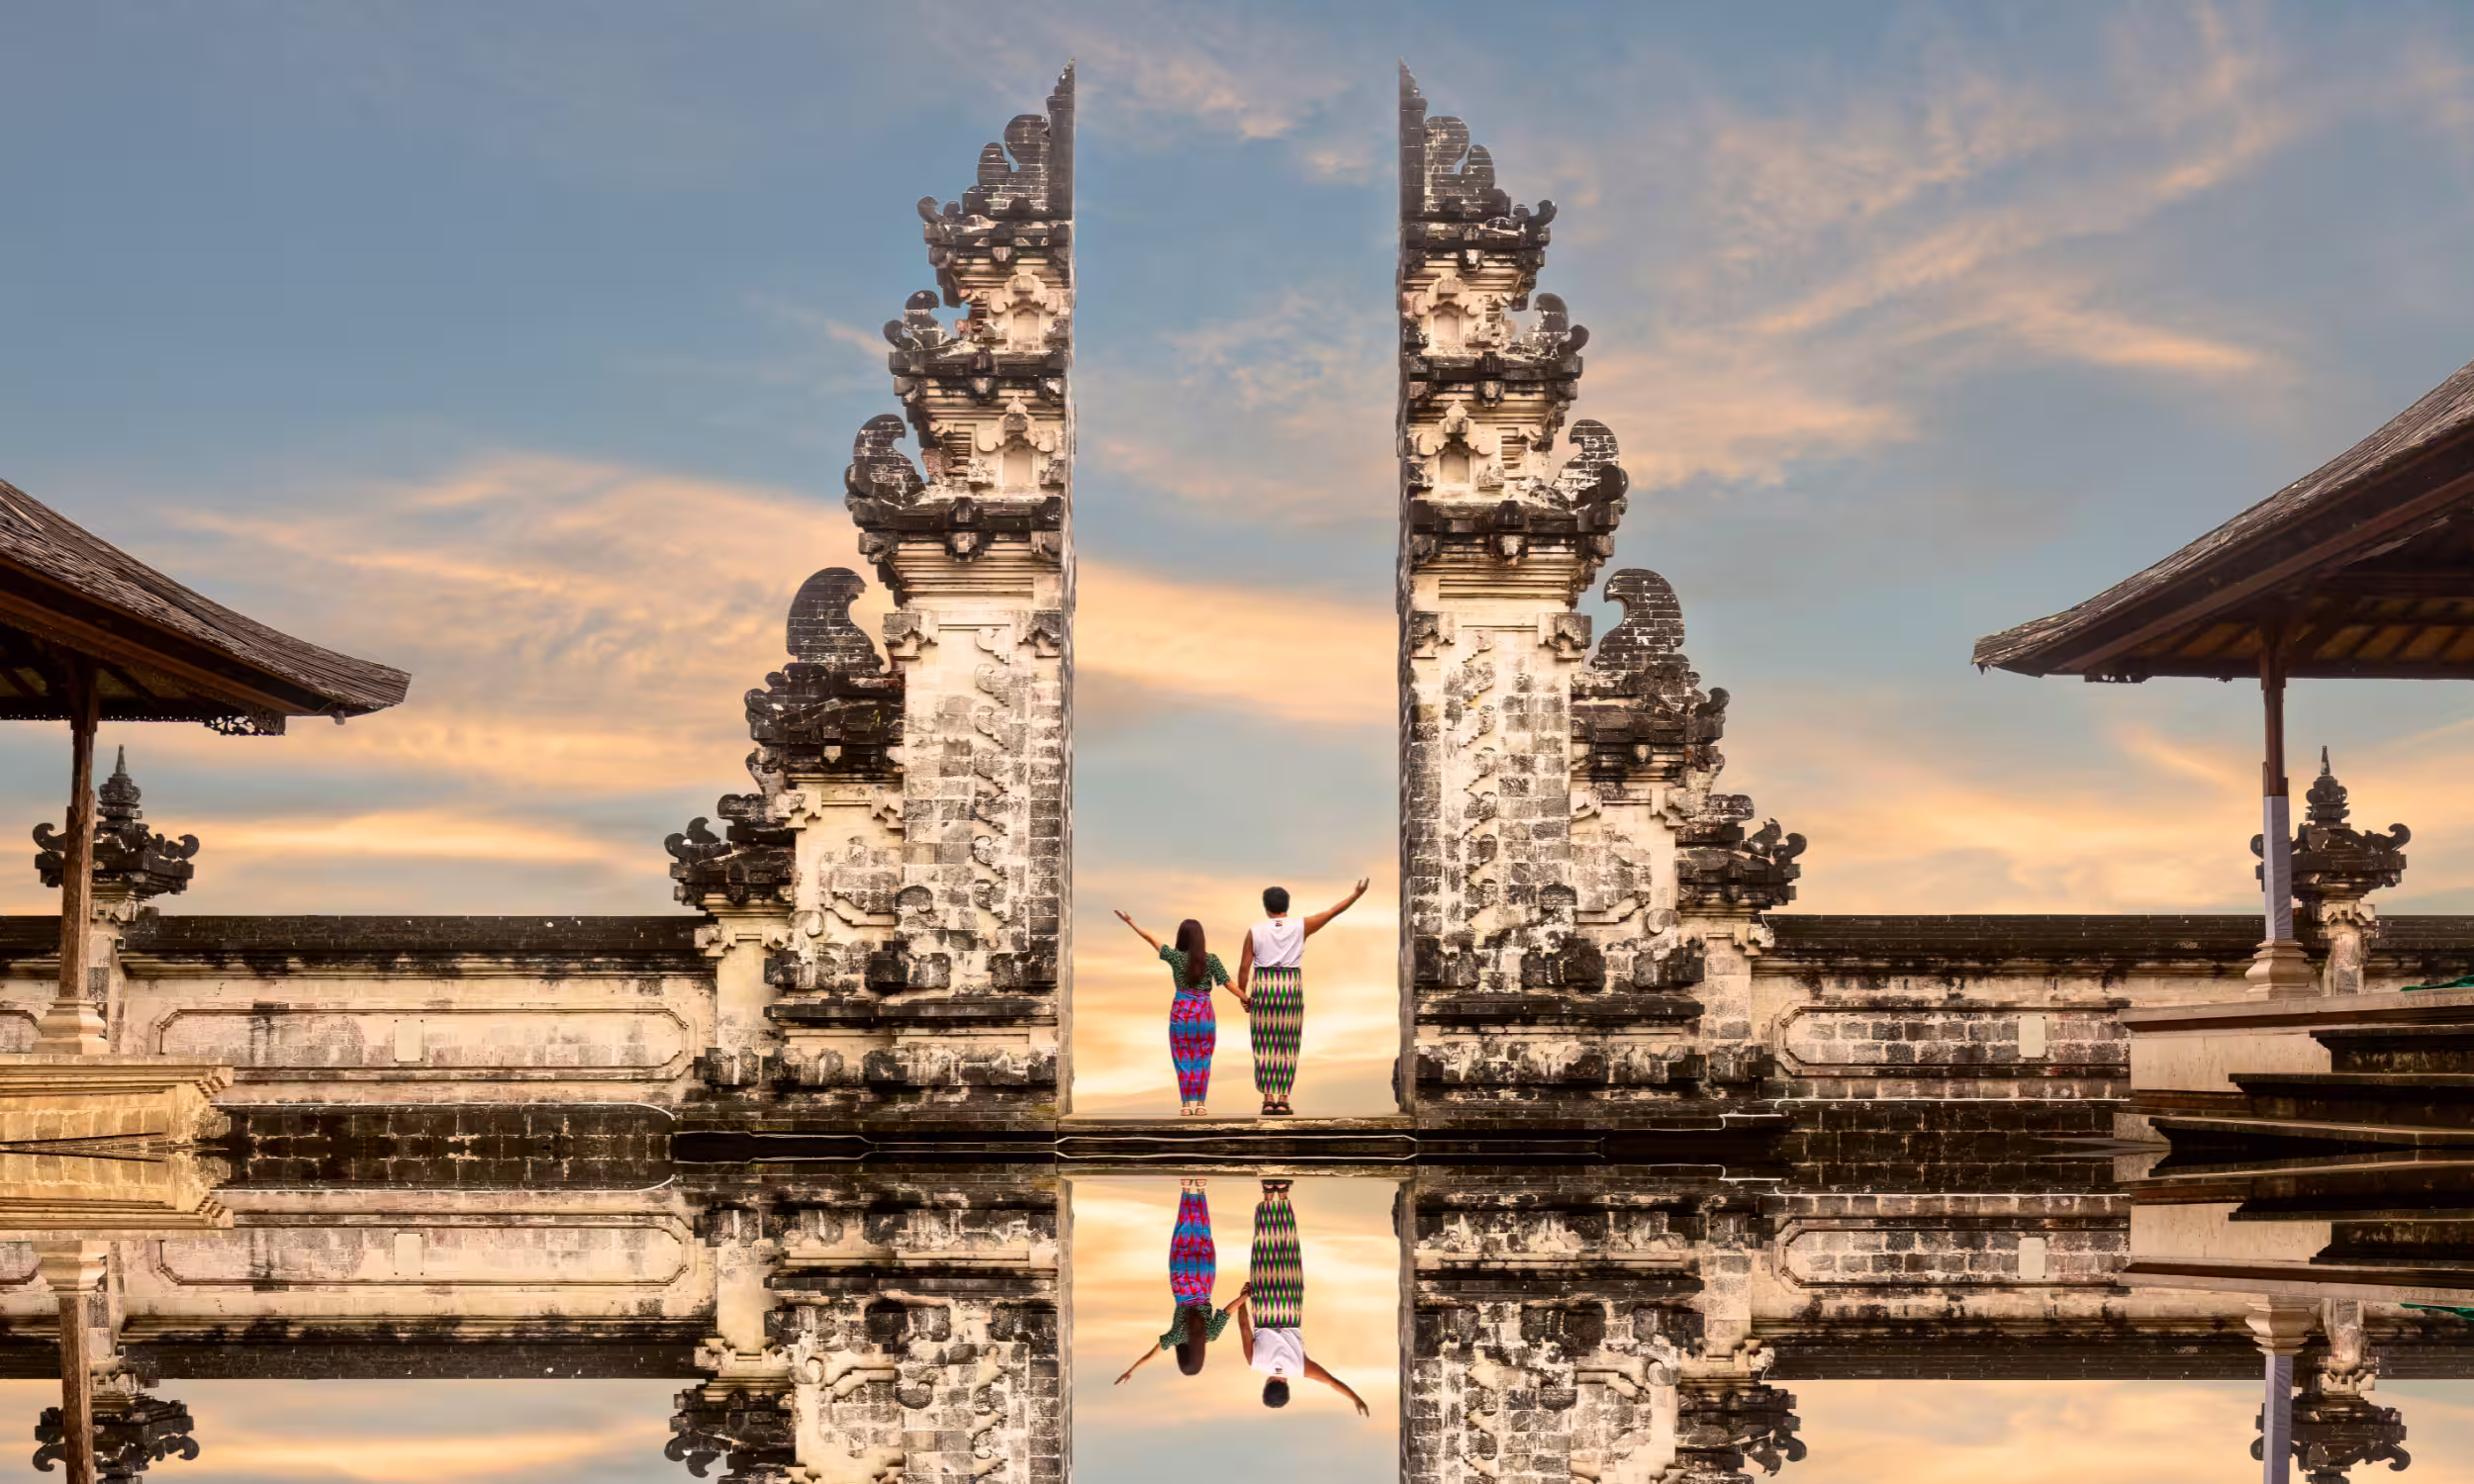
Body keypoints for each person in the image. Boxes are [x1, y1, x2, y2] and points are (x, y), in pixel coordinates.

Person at [1231, 1179, 1367, 1416]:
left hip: (1290, 1307)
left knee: (1288, 1248)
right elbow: (1243, 1327)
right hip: (1263, 1309)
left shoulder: (1300, 1368)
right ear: (1266, 1386)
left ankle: (1283, 1194)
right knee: (1264, 1248)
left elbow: (1332, 1382)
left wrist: (1356, 1399)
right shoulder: (1255, 1364)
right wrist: (1242, 1299)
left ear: (1287, 1388)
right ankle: (1268, 1196)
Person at [1234, 879, 1369, 1117]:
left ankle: (1267, 1099)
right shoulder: (1300, 926)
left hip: (1264, 985)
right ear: (1287, 905)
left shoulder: (1255, 931)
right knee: (1288, 1042)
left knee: (1263, 1043)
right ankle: (1283, 1099)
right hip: (1290, 985)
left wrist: (1243, 995)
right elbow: (1332, 912)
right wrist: (1356, 894)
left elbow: (1244, 967)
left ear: (1266, 908)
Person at [1114, 910, 1245, 1116]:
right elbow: (1227, 983)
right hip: (1203, 1013)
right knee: (1203, 1057)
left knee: (1182, 1056)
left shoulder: (1175, 957)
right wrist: (1245, 998)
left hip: (1181, 1012)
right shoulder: (1211, 960)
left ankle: (1185, 1105)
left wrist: (1131, 922)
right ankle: (1201, 1104)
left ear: (1181, 937)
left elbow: (1150, 938)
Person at [1114, 1178, 1229, 1385]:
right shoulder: (1174, 1338)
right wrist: (1131, 1370)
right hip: (1181, 1284)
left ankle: (1201, 1190)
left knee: (1203, 1236)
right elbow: (1151, 1355)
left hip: (1204, 1282)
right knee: (1182, 1236)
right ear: (1181, 1357)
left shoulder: (1209, 1336)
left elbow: (1228, 1310)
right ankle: (1186, 1189)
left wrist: (1246, 1295)